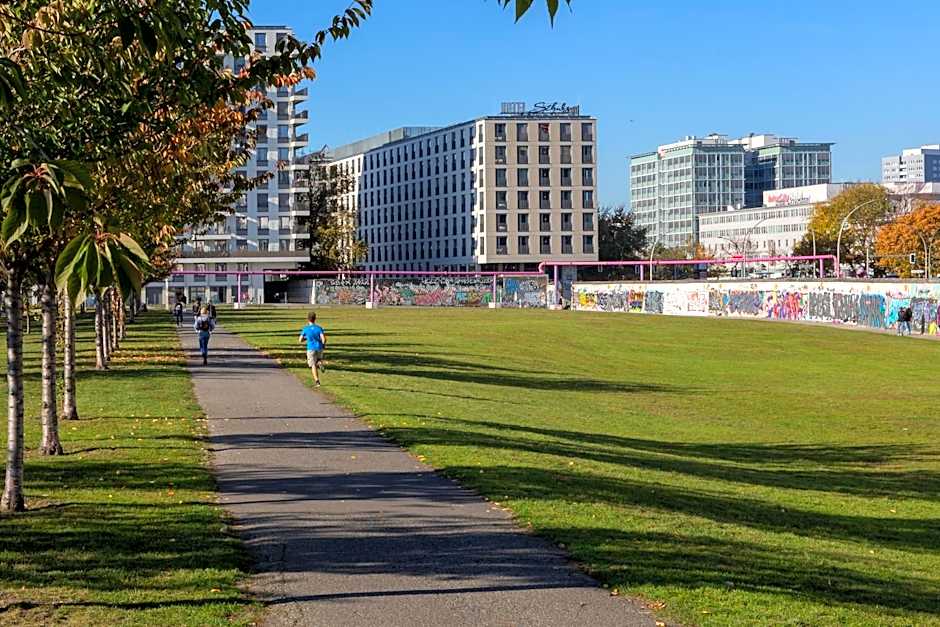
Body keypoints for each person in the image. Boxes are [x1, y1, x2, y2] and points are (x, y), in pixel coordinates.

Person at [298, 311, 326, 387]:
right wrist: (323, 345)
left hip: (310, 348)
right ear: (315, 319)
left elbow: (300, 340)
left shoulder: (306, 329)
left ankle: (317, 381)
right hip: (319, 347)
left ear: (308, 319)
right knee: (318, 359)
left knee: (313, 365)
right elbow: (323, 338)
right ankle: (320, 362)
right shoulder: (319, 328)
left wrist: (306, 338)